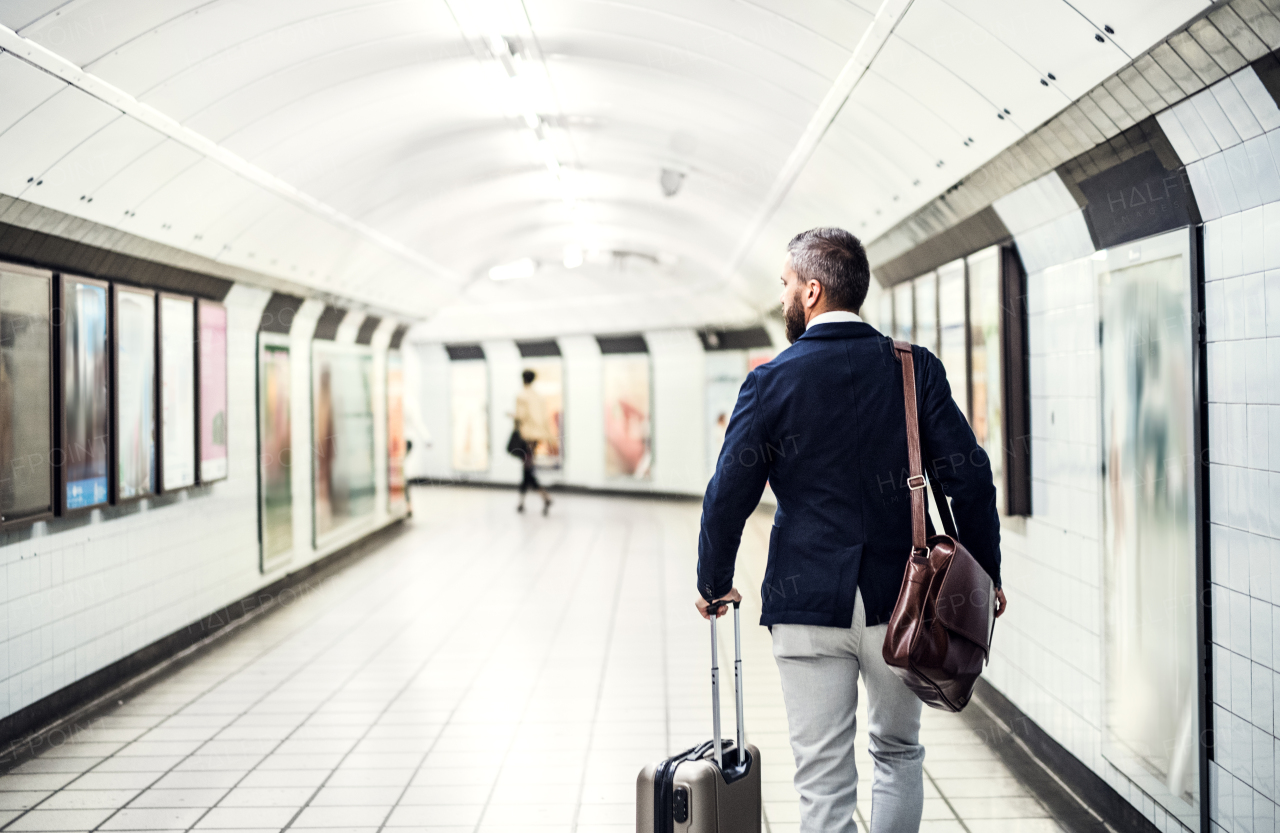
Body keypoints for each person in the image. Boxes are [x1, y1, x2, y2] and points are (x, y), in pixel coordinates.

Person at [695, 227, 1006, 833]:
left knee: (822, 778)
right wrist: (985, 574)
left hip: (807, 604)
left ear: (811, 292)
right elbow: (972, 477)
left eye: (786, 284)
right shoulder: (915, 371)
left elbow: (727, 494)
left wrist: (715, 581)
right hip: (905, 604)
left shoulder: (770, 381)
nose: (783, 294)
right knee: (897, 753)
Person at [514, 369, 553, 515]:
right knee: (527, 468)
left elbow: (520, 416)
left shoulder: (522, 396)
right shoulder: (540, 397)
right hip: (537, 437)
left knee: (527, 470)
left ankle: (544, 497)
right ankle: (522, 503)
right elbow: (544, 418)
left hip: (526, 436)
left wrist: (513, 418)